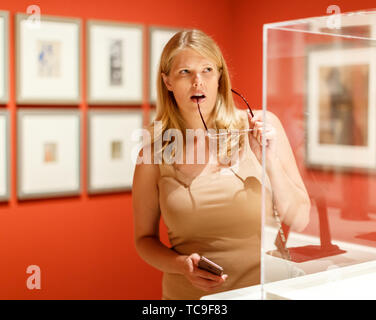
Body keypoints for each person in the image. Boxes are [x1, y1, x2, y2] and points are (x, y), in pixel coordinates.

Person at [132, 29, 310, 300]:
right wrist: (180, 266)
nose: (197, 82)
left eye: (207, 70)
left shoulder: (262, 127)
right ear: (167, 81)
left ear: (220, 77)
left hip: (266, 294)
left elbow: (300, 219)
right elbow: (144, 240)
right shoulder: (153, 153)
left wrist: (269, 162)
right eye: (185, 72)